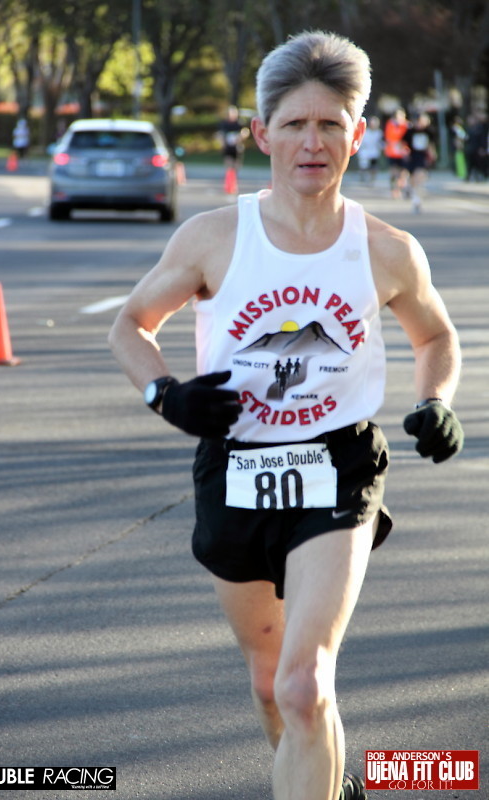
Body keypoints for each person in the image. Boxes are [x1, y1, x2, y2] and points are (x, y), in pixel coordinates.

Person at [109, 29, 463, 800]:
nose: (312, 142)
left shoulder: (386, 249)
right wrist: (167, 395)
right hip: (235, 465)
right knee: (271, 684)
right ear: (261, 132)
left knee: (304, 686)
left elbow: (435, 336)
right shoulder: (213, 238)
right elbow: (130, 325)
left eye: (330, 124)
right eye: (294, 123)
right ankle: (329, 782)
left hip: (338, 464)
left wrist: (435, 401)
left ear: (356, 135)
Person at [402, 112, 437, 213]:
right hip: (412, 156)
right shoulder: (410, 131)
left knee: (420, 175)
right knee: (413, 178)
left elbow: (431, 144)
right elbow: (403, 143)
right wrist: (405, 153)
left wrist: (433, 154)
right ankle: (413, 193)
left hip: (423, 157)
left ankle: (417, 199)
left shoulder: (429, 131)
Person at [219, 105, 249, 193]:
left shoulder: (239, 123)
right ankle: (229, 184)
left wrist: (240, 137)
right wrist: (222, 141)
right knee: (229, 165)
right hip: (228, 147)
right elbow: (220, 134)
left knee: (236, 166)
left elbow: (246, 131)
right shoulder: (224, 124)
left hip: (237, 147)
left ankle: (234, 183)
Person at [383, 108, 409, 197]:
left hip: (403, 153)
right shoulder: (390, 125)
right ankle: (394, 189)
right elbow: (388, 138)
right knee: (394, 172)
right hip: (392, 152)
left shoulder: (406, 125)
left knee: (403, 173)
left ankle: (401, 188)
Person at [356, 115, 383, 184]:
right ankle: (362, 178)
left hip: (374, 152)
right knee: (364, 166)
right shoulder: (365, 132)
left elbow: (380, 142)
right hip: (365, 152)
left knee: (373, 167)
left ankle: (372, 180)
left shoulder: (379, 133)